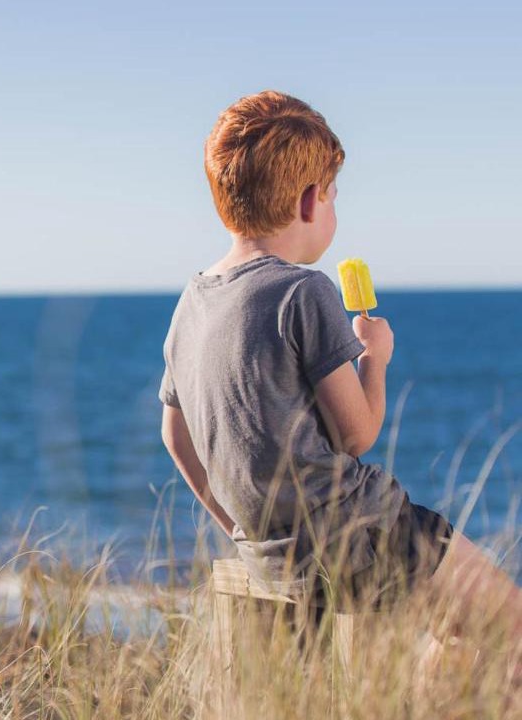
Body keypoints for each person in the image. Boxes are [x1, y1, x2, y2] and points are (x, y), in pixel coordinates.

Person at [158, 89, 521, 674]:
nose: (332, 210)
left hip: (271, 554)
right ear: (309, 201)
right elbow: (356, 436)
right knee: (511, 630)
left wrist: (238, 528)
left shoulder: (193, 301)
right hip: (363, 536)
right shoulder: (305, 291)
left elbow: (176, 436)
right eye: (333, 196)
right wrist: (374, 358)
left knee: (450, 643)